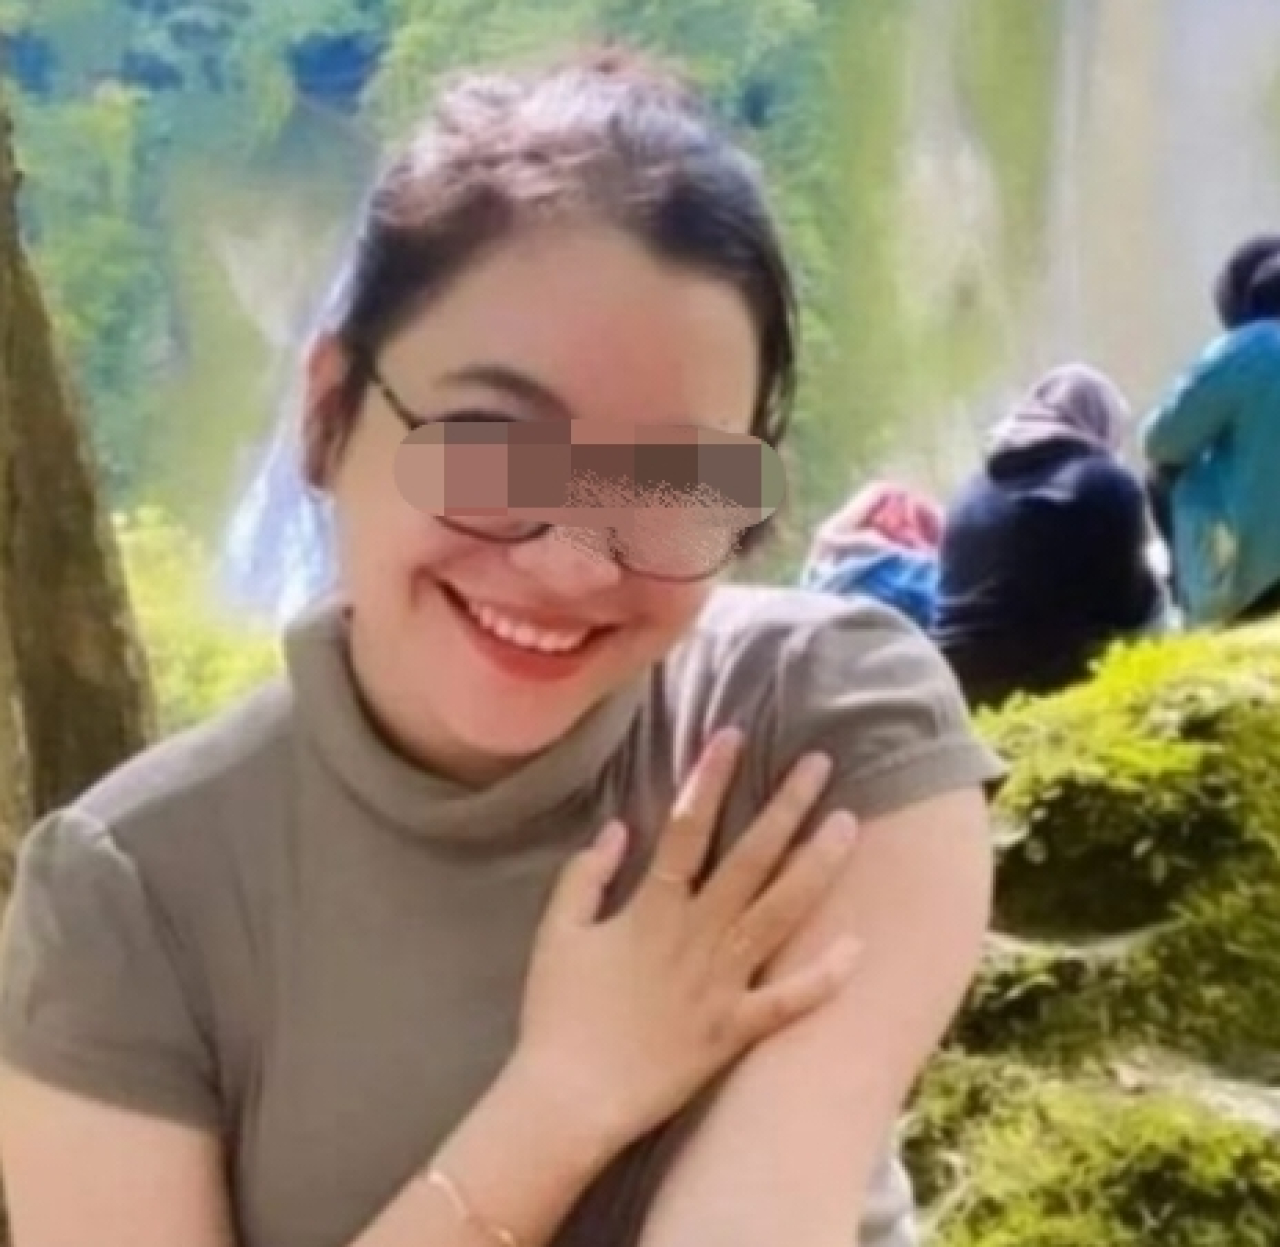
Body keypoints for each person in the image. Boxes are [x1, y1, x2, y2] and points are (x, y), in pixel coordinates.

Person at [0, 48, 1002, 1247]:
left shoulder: (831, 727)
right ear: (326, 413)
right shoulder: (129, 901)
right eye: (490, 447)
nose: (572, 561)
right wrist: (559, 1100)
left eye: (671, 483)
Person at [934, 363, 1166, 710]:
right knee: (1155, 601)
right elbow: (1128, 609)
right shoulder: (1106, 482)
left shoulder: (969, 491)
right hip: (1041, 669)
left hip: (955, 676)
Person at [1143, 233, 1280, 627]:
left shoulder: (1246, 348)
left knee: (1163, 471)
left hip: (1265, 580)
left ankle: (1198, 604)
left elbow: (1160, 441)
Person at [801, 482, 943, 630]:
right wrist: (866, 542)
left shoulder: (934, 515)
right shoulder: (883, 494)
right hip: (875, 572)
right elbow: (824, 537)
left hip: (909, 577)